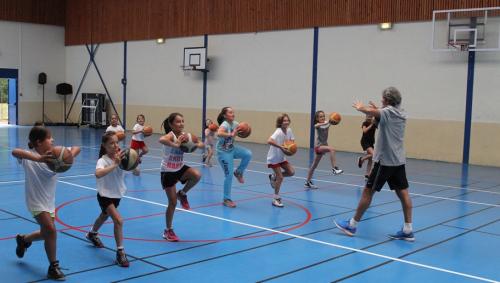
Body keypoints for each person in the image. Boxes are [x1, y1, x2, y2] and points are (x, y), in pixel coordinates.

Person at [334, 87, 414, 241]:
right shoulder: (401, 112)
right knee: (403, 194)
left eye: (383, 98)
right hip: (398, 160)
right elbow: (383, 113)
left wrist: (361, 108)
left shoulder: (387, 112)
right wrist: (377, 109)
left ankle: (352, 225)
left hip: (384, 161)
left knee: (367, 192)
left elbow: (373, 112)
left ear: (388, 100)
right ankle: (408, 229)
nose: (381, 100)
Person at [12, 126, 81, 280]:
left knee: (46, 234)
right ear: (39, 142)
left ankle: (23, 240)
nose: (53, 140)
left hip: (49, 202)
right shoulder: (30, 157)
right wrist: (38, 158)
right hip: (35, 201)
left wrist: (68, 157)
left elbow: (77, 147)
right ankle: (53, 267)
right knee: (51, 230)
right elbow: (15, 152)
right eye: (50, 138)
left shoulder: (56, 154)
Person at [85, 132, 129, 267]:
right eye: (112, 143)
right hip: (104, 195)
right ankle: (120, 252)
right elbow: (98, 174)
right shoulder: (102, 160)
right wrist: (115, 164)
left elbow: (135, 171)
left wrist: (134, 164)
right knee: (118, 220)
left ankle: (92, 233)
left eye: (117, 142)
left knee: (104, 216)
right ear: (104, 146)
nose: (116, 145)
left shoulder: (121, 157)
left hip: (116, 195)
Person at [159, 113, 203, 241]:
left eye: (183, 121)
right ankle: (168, 231)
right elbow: (161, 140)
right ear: (171, 124)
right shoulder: (171, 135)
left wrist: (197, 144)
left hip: (179, 168)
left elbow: (200, 143)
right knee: (172, 203)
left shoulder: (186, 136)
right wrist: (176, 144)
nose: (181, 124)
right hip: (168, 171)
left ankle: (182, 193)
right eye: (178, 122)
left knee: (197, 175)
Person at [216, 107, 252, 208]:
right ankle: (226, 199)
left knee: (248, 154)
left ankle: (239, 172)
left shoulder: (235, 124)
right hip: (223, 153)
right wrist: (231, 134)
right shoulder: (225, 124)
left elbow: (242, 128)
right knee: (228, 176)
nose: (233, 114)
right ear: (225, 115)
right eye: (230, 112)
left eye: (233, 112)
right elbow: (219, 133)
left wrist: (246, 129)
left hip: (232, 149)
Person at [304, 110, 343, 189]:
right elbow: (316, 126)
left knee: (314, 165)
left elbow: (332, 122)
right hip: (318, 147)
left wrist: (334, 120)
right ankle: (334, 168)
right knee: (332, 149)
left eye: (323, 116)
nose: (323, 117)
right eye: (321, 116)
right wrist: (328, 121)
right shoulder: (318, 125)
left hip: (324, 145)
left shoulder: (327, 122)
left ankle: (307, 182)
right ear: (317, 118)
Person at [267, 114, 296, 207]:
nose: (286, 122)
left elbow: (292, 142)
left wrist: (291, 149)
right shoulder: (278, 131)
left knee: (291, 172)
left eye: (287, 120)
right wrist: (281, 147)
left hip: (281, 158)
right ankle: (275, 198)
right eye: (284, 121)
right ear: (280, 122)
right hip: (273, 158)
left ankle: (273, 176)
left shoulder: (289, 130)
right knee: (281, 178)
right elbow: (269, 141)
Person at [358, 114, 377, 179]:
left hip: (371, 143)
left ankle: (367, 174)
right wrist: (371, 124)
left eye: (370, 116)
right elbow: (364, 131)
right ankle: (362, 159)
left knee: (371, 159)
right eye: (368, 116)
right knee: (374, 154)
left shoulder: (374, 123)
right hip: (365, 142)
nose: (369, 117)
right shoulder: (365, 123)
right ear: (366, 116)